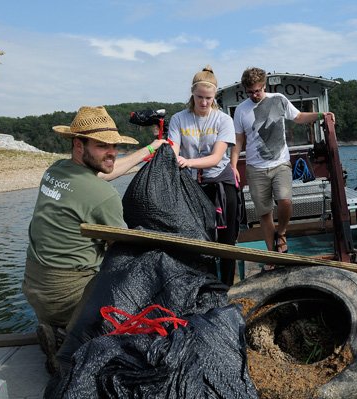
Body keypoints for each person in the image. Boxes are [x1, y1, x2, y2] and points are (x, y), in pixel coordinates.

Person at [22, 105, 166, 374]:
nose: (111, 152)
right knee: (138, 284)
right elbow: (124, 251)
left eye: (114, 146)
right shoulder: (104, 195)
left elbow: (103, 173)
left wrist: (148, 150)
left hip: (35, 287)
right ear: (79, 145)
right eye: (102, 146)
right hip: (65, 294)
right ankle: (71, 339)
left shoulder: (56, 171)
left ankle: (57, 327)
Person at [230, 67, 334, 266]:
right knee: (264, 213)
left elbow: (299, 117)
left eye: (257, 91)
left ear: (264, 86)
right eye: (250, 92)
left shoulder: (278, 99)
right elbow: (238, 140)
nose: (254, 95)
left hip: (280, 164)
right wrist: (234, 165)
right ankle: (273, 255)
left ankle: (283, 231)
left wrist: (321, 115)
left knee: (285, 200)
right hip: (255, 168)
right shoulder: (241, 110)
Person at [168, 65, 240, 287]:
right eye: (199, 97)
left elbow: (217, 157)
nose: (204, 102)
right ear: (192, 94)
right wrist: (174, 157)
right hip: (191, 186)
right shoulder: (179, 119)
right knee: (198, 238)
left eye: (209, 98)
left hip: (219, 181)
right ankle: (202, 285)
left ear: (215, 96)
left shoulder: (223, 120)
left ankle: (226, 285)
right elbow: (173, 150)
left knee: (227, 240)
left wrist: (187, 161)